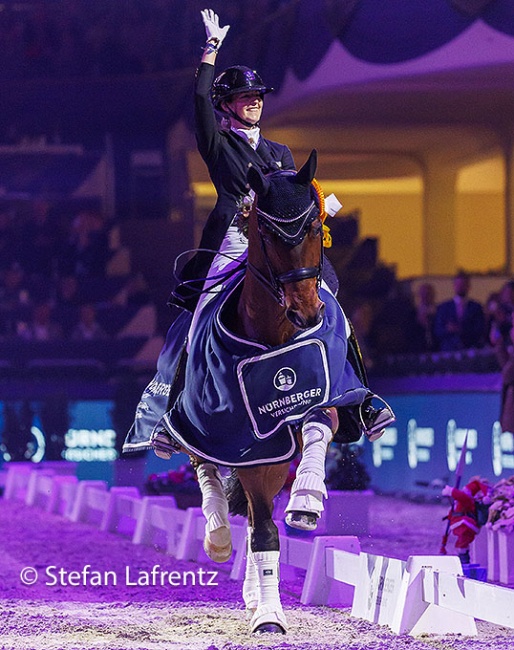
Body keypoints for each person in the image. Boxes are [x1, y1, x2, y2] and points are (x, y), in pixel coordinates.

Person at [165, 8, 394, 442]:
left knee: (334, 311)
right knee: (198, 318)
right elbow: (197, 105)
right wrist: (210, 52)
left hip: (281, 245)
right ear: (226, 106)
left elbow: (295, 198)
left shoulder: (281, 152)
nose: (255, 100)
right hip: (234, 241)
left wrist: (323, 206)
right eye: (245, 96)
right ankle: (174, 410)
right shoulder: (218, 143)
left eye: (258, 95)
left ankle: (362, 400)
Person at [441, 478, 491, 565]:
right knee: (462, 545)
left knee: (462, 545)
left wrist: (451, 491)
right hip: (463, 526)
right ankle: (463, 561)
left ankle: (464, 563)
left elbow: (462, 497)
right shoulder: (466, 501)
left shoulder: (468, 501)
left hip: (465, 526)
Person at [433, 271, 486, 351]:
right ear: (454, 286)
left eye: (463, 285)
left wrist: (461, 329)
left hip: (470, 348)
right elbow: (437, 330)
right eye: (458, 285)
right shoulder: (443, 307)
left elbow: (480, 329)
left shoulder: (476, 307)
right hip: (448, 350)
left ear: (468, 286)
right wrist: (448, 329)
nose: (460, 287)